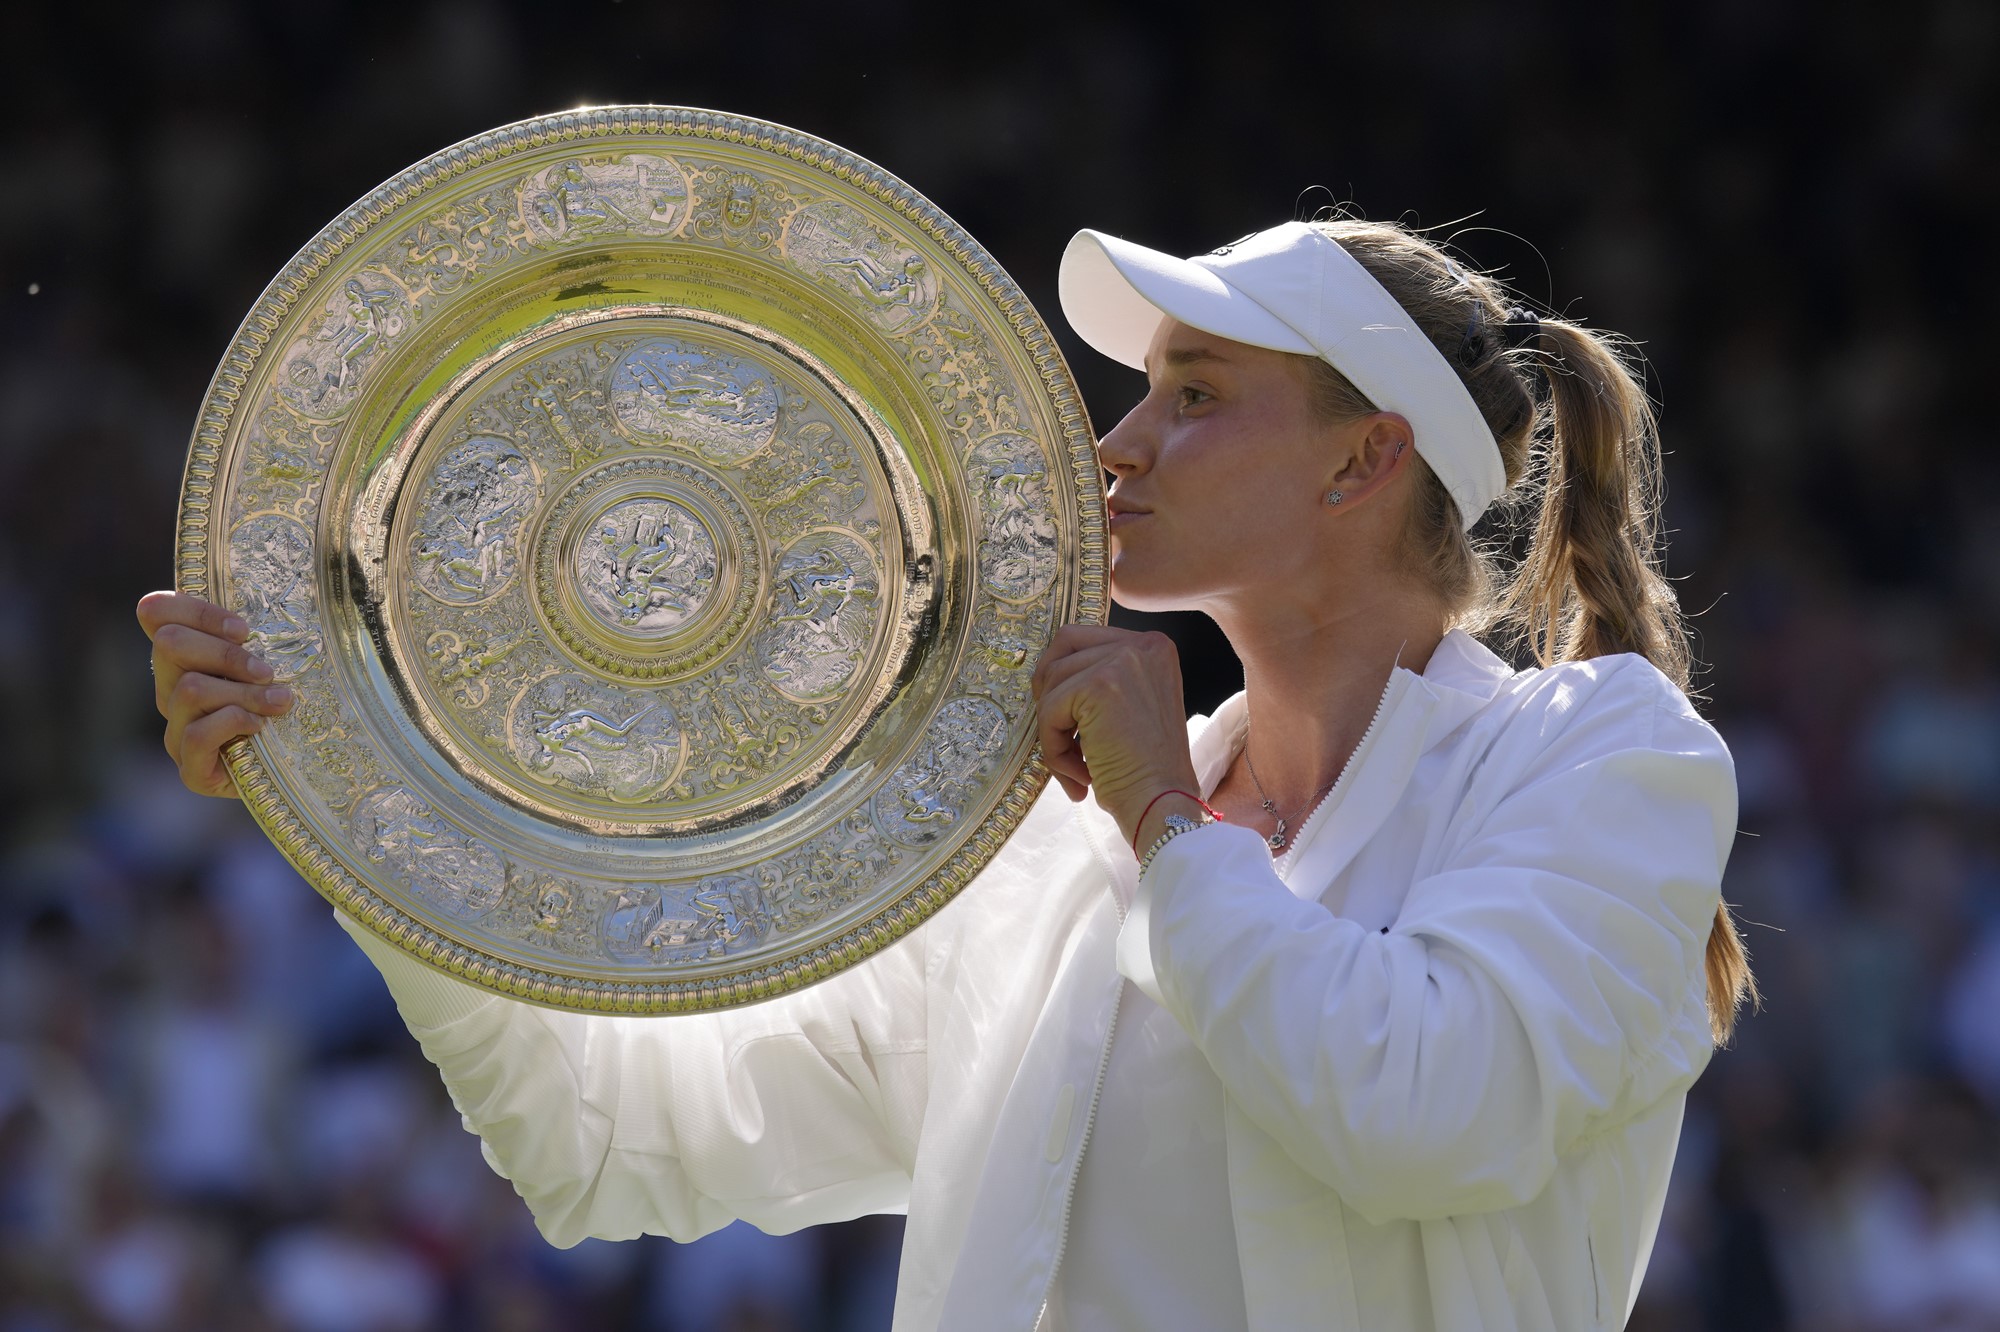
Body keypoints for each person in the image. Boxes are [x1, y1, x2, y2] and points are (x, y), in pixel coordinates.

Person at [139, 214, 1756, 1331]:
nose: (1118, 444)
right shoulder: (1053, 856)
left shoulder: (1600, 758)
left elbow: (1422, 1113)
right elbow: (612, 1146)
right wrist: (353, 787)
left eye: (1193, 398)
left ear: (1364, 457)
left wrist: (1160, 819)